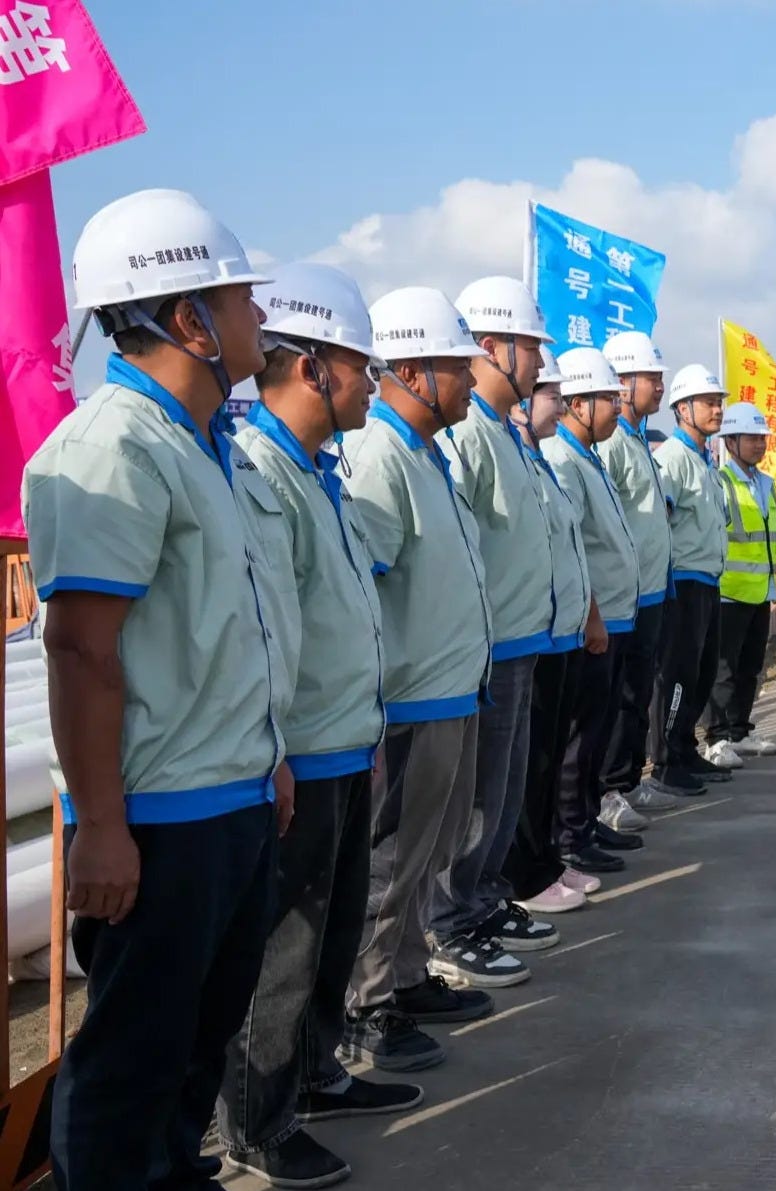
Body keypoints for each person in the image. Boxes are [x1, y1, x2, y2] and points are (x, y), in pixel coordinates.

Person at [26, 188, 287, 1191]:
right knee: (128, 1071)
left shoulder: (202, 445)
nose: (257, 316)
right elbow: (81, 651)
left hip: (229, 799)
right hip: (159, 821)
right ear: (188, 320)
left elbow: (219, 633)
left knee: (190, 1057)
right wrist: (100, 826)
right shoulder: (113, 449)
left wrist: (264, 762)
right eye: (239, 299)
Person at [219, 263, 420, 1188]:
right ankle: (258, 1122)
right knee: (283, 949)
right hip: (295, 750)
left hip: (342, 739)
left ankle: (313, 1073)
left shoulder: (315, 469)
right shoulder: (260, 468)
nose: (371, 383)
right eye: (358, 364)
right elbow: (267, 628)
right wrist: (281, 750)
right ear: (309, 367)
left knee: (330, 932)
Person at [339, 286, 497, 1066]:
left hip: (451, 690)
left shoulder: (428, 457)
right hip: (408, 703)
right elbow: (360, 591)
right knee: (392, 861)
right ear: (410, 369)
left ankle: (403, 976)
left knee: (428, 850)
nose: (471, 380)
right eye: (455, 367)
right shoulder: (379, 458)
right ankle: (366, 1007)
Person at [424, 276, 564, 991]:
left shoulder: (504, 434)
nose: (540, 364)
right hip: (486, 651)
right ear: (490, 347)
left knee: (503, 792)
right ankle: (454, 923)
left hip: (518, 642)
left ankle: (480, 903)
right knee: (477, 801)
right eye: (530, 348)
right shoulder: (468, 436)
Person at [504, 348, 610, 914]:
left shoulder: (540, 460)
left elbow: (568, 549)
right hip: (531, 637)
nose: (561, 404)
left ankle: (543, 861)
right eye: (552, 395)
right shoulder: (521, 457)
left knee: (543, 758)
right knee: (534, 763)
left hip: (559, 629)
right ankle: (526, 872)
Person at [540, 348, 645, 874]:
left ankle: (585, 821)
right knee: (579, 739)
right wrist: (592, 615)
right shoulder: (563, 460)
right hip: (596, 625)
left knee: (597, 734)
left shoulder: (589, 457)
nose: (615, 407)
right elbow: (572, 548)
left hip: (618, 618)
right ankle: (570, 835)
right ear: (578, 403)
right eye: (608, 398)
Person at [597, 331, 674, 830]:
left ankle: (626, 782)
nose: (660, 387)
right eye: (652, 377)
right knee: (617, 697)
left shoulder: (639, 441)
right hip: (620, 597)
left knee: (637, 691)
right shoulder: (612, 447)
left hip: (648, 590)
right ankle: (607, 792)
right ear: (623, 383)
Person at [651, 364, 732, 795]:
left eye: (719, 402)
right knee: (677, 674)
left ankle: (685, 749)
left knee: (699, 672)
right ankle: (665, 760)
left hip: (707, 581)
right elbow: (661, 519)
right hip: (682, 583)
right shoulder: (672, 459)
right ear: (683, 409)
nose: (717, 409)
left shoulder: (704, 461)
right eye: (708, 402)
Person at [703, 402, 776, 765]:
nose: (759, 444)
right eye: (751, 438)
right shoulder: (722, 483)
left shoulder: (766, 484)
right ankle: (717, 739)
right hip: (728, 593)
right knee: (724, 669)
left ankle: (740, 731)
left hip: (760, 591)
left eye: (762, 438)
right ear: (731, 441)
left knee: (751, 666)